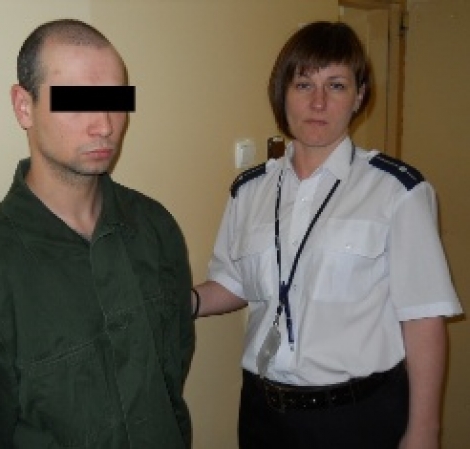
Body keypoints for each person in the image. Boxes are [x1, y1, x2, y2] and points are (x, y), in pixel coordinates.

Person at [0, 19, 195, 449]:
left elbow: (171, 379)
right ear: (23, 107)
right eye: (77, 102)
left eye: (115, 100)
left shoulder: (156, 230)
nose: (104, 125)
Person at [192, 21, 462, 449]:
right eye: (303, 84)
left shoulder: (398, 192)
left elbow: (423, 318)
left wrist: (424, 431)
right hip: (263, 415)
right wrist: (179, 302)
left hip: (358, 418)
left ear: (359, 96)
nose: (317, 102)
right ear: (282, 93)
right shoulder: (249, 192)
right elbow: (232, 282)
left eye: (336, 85)